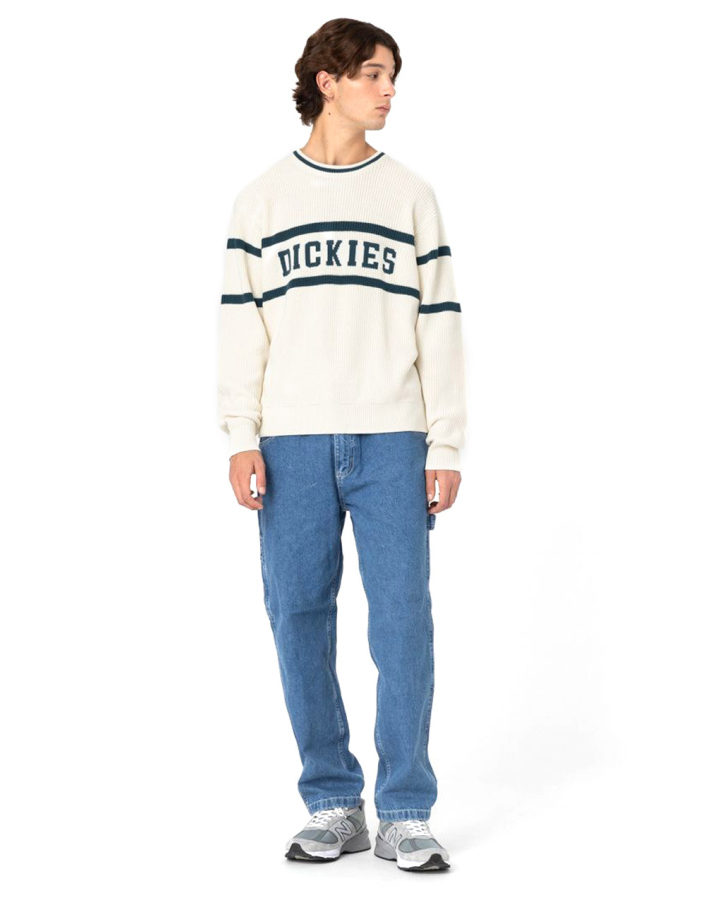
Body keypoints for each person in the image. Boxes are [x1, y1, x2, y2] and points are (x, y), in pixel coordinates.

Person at [217, 18, 466, 872]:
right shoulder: (261, 200)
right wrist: (239, 435)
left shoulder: (410, 196)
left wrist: (445, 445)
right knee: (297, 617)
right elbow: (241, 328)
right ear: (327, 81)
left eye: (392, 75)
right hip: (288, 442)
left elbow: (439, 326)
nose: (388, 90)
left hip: (393, 436)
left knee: (402, 624)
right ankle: (331, 800)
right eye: (371, 73)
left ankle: (404, 809)